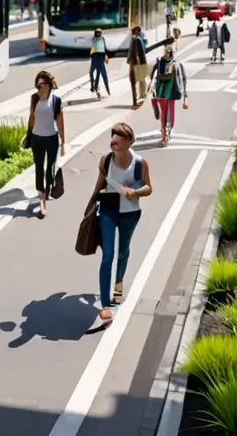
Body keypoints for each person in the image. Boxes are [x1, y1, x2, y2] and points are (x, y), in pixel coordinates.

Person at [90, 123, 151, 323]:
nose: (113, 140)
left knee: (123, 251)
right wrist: (90, 205)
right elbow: (99, 183)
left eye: (119, 137)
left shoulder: (140, 163)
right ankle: (105, 305)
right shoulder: (106, 160)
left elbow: (149, 187)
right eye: (112, 135)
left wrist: (136, 192)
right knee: (108, 254)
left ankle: (118, 283)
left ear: (128, 142)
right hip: (108, 209)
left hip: (130, 213)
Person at [26, 71, 65, 219]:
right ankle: (41, 197)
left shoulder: (56, 101)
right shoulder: (34, 99)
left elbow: (60, 121)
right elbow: (32, 117)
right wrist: (28, 134)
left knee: (50, 168)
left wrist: (63, 142)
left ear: (48, 85)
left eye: (41, 85)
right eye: (37, 85)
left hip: (51, 138)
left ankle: (48, 188)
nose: (38, 88)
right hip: (37, 138)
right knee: (38, 167)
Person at [149, 46, 188, 147]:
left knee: (171, 117)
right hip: (162, 92)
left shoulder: (176, 63)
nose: (166, 54)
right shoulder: (159, 62)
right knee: (164, 115)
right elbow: (152, 75)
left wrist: (184, 93)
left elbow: (183, 77)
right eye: (165, 52)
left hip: (172, 92)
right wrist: (152, 86)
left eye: (168, 52)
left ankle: (168, 131)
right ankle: (164, 136)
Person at [126, 26, 148, 108]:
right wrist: (137, 62)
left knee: (140, 80)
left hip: (139, 62)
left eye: (139, 30)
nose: (139, 31)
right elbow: (135, 52)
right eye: (137, 30)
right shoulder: (135, 38)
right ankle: (136, 102)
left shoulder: (138, 38)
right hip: (137, 64)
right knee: (136, 81)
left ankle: (139, 99)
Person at [89, 29, 110, 99]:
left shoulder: (102, 39)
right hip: (95, 58)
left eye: (99, 33)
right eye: (97, 33)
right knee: (91, 72)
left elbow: (104, 48)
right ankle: (93, 86)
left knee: (103, 75)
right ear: (95, 33)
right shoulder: (94, 39)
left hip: (100, 59)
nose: (99, 34)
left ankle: (107, 90)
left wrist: (105, 55)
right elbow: (94, 47)